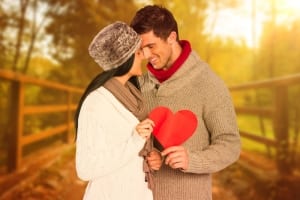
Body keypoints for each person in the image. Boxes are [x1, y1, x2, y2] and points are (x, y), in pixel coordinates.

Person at [130, 5, 241, 200]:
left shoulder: (208, 84)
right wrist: (147, 153)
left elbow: (230, 144)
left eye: (151, 46)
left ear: (172, 38)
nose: (146, 56)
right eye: (141, 48)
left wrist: (193, 160)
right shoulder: (137, 85)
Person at [74, 21, 154, 200]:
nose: (144, 56)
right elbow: (85, 168)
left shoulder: (134, 96)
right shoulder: (96, 102)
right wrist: (134, 141)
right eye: (138, 52)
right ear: (125, 59)